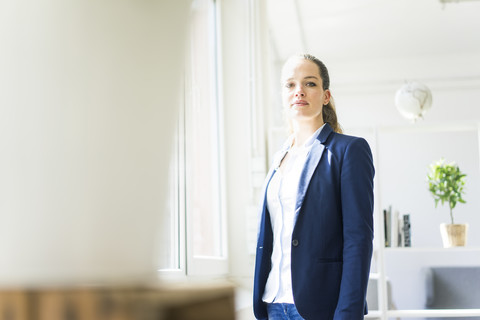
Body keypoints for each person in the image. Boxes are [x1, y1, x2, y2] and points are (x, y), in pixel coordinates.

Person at [253, 53, 375, 320]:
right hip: (273, 302)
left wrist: (348, 313)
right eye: (290, 85)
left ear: (326, 95)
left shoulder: (349, 150)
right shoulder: (279, 157)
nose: (299, 91)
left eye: (309, 83)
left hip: (321, 307)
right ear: (282, 95)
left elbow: (358, 240)